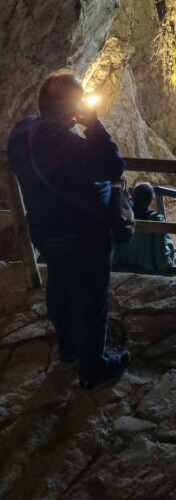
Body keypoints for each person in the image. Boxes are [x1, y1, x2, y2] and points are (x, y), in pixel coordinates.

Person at [7, 71, 130, 389]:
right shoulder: (74, 147)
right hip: (83, 237)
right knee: (91, 300)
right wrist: (93, 124)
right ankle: (93, 367)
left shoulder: (22, 132)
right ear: (73, 108)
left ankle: (68, 347)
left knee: (59, 285)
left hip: (45, 231)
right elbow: (114, 166)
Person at [112, 182, 174, 274]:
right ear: (151, 199)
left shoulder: (122, 216)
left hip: (121, 269)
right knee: (168, 240)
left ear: (132, 197)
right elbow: (161, 259)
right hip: (148, 271)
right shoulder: (156, 219)